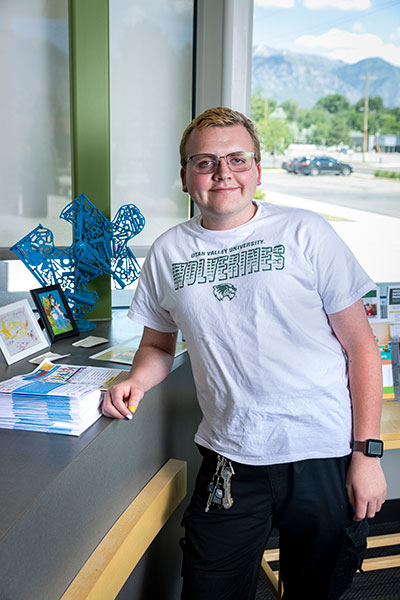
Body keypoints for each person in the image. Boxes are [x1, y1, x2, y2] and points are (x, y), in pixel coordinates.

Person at [102, 107, 387, 599]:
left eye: (237, 159)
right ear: (186, 175)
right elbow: (156, 344)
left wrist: (367, 454)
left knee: (316, 589)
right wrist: (136, 380)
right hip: (231, 455)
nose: (223, 173)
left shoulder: (306, 232)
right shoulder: (169, 251)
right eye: (206, 161)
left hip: (323, 451)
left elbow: (361, 346)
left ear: (256, 169)